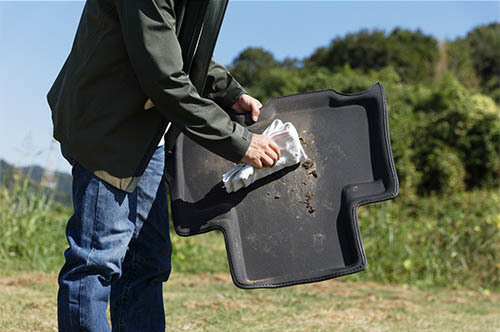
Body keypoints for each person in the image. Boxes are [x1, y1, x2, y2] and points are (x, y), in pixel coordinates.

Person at [47, 0, 280, 331]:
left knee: (147, 263)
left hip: (148, 133)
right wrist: (239, 141)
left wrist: (230, 93)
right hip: (109, 127)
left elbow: (180, 44)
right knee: (96, 262)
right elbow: (165, 77)